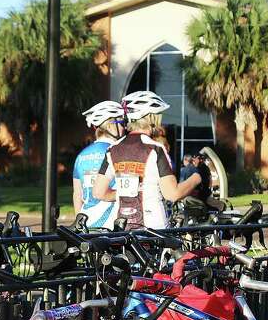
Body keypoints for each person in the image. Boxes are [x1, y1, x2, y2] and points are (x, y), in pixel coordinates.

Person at [93, 91, 201, 230]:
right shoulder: (155, 148)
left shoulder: (113, 149)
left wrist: (124, 192)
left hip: (121, 226)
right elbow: (172, 194)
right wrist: (196, 178)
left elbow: (99, 192)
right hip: (153, 228)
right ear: (150, 117)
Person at [73, 100, 124, 228]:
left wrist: (79, 225)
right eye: (121, 123)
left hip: (86, 223)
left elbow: (77, 194)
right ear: (111, 126)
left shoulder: (81, 155)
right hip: (110, 224)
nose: (124, 127)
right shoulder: (116, 151)